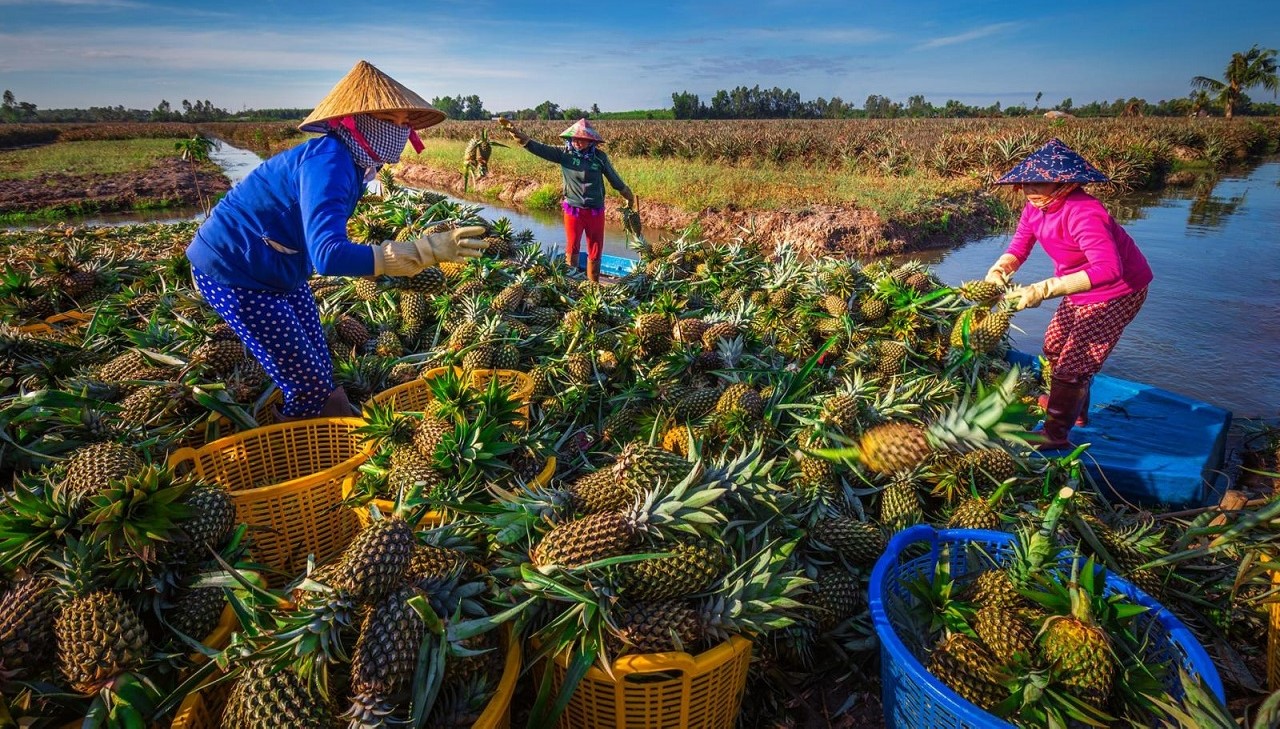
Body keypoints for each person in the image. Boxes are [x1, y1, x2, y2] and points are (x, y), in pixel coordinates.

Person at [186, 60, 487, 421]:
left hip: (279, 266)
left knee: (319, 361)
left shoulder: (354, 162)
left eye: (405, 123)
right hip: (233, 271)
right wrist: (422, 251)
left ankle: (331, 419)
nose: (401, 132)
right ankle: (301, 449)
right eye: (390, 121)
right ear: (355, 121)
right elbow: (327, 255)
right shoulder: (329, 163)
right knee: (307, 382)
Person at [984, 138, 1153, 449]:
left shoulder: (1085, 212)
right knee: (1053, 345)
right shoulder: (1035, 209)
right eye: (1026, 182)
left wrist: (1043, 289)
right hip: (1080, 287)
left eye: (1040, 182)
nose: (1030, 189)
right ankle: (1073, 411)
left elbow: (1108, 269)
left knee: (1075, 362)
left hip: (1118, 290)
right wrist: (999, 272)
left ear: (1063, 182)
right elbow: (1019, 247)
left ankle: (1055, 434)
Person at [497, 117, 636, 282]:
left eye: (582, 139)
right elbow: (538, 148)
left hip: (594, 210)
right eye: (575, 139)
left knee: (595, 248)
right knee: (572, 246)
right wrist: (516, 133)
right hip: (573, 210)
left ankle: (594, 283)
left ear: (591, 141)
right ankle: (572, 282)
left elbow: (615, 180)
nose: (578, 142)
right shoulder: (564, 154)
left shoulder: (599, 158)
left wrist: (629, 197)